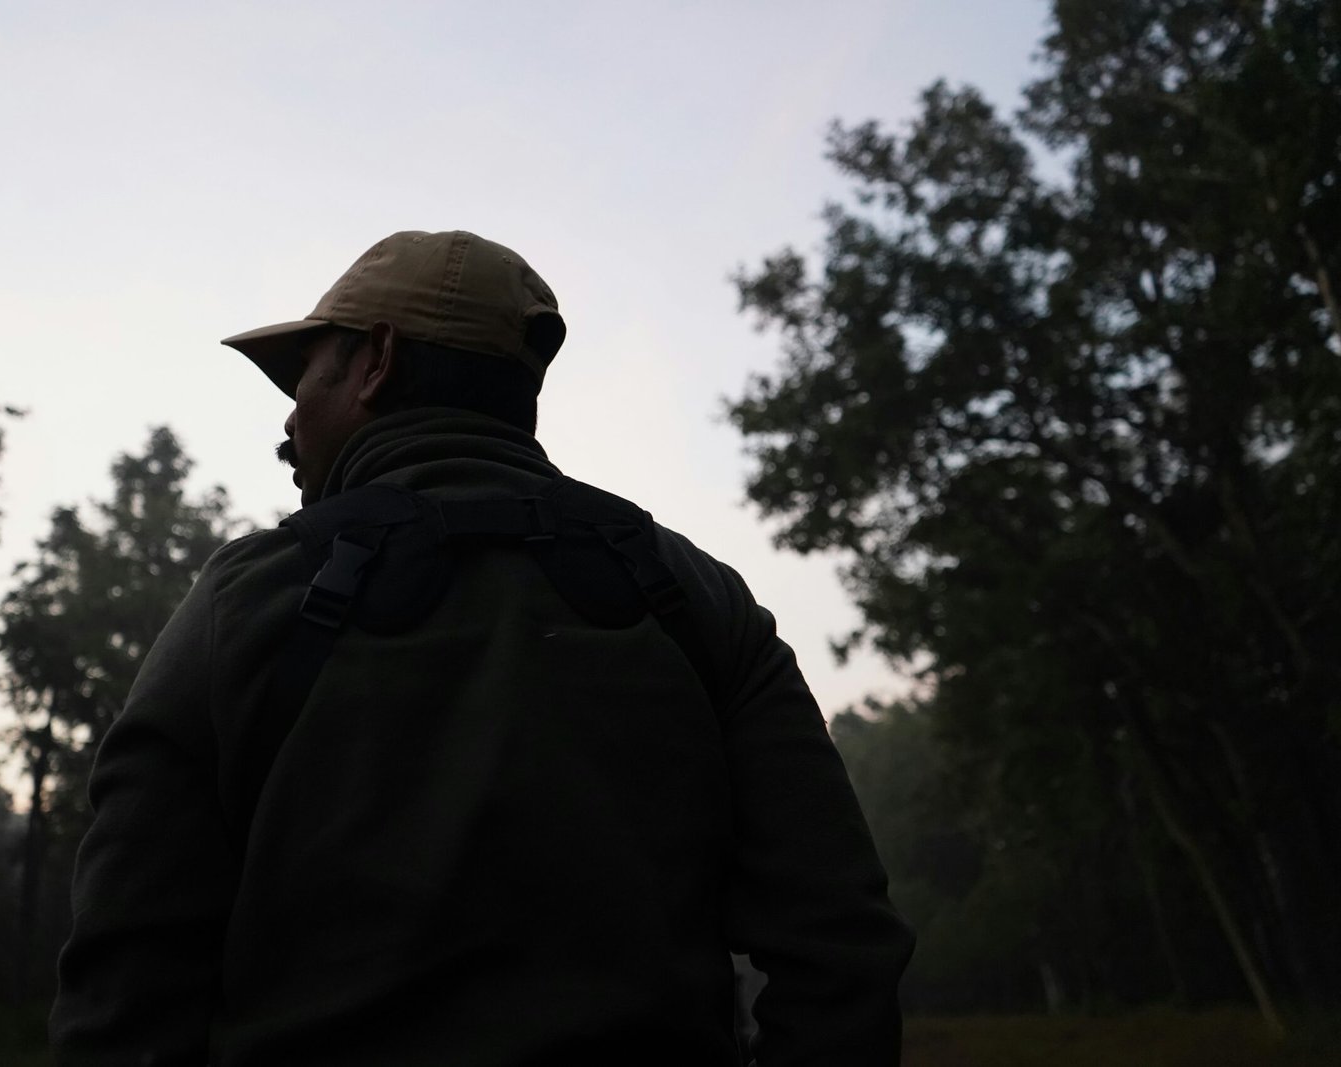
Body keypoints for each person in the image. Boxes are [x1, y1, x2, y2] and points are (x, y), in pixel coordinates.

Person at [49, 230, 913, 1066]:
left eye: (305, 374)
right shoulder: (699, 599)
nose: (288, 420)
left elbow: (125, 985)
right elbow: (840, 949)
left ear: (377, 361)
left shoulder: (248, 600)